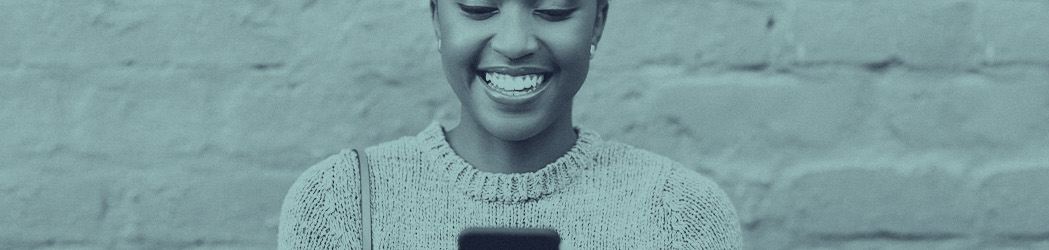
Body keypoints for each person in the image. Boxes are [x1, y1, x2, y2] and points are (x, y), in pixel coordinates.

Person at [278, 0, 743, 249]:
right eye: (479, 8)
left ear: (598, 22)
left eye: (555, 10)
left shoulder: (682, 215)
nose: (515, 42)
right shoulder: (339, 202)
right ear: (436, 16)